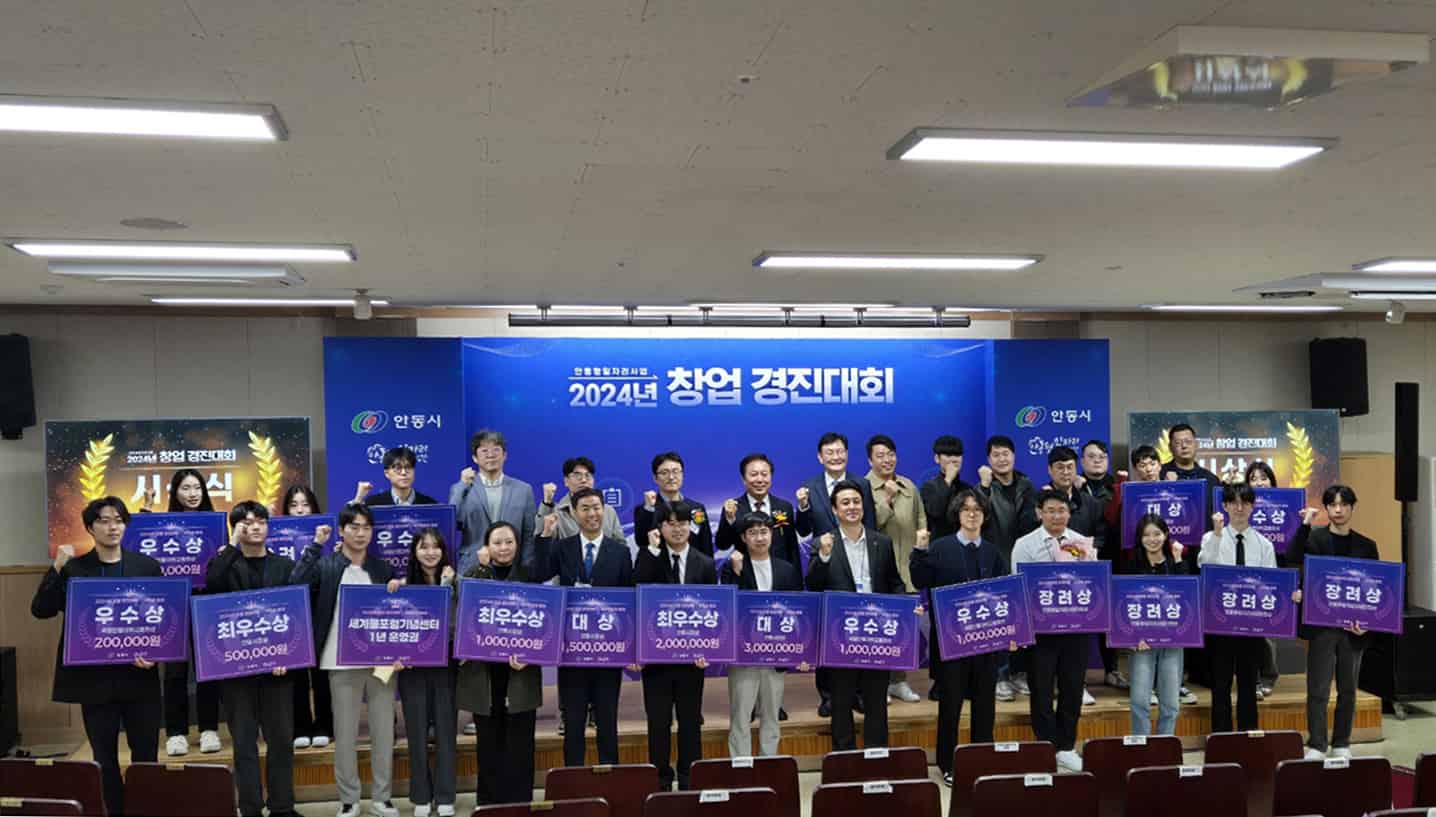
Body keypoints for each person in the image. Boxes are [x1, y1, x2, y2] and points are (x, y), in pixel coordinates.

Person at [31, 497, 163, 817]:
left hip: (139, 677)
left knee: (146, 756)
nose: (112, 527)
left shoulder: (146, 567)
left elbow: (161, 618)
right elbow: (41, 609)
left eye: (118, 520)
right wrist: (57, 567)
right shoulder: (75, 569)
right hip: (95, 681)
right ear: (90, 528)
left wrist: (156, 654)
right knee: (104, 758)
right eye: (104, 521)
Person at [290, 503, 399, 817]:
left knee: (383, 733)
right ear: (341, 530)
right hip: (339, 661)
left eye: (366, 527)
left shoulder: (382, 569)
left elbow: (396, 612)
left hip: (380, 662)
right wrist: (316, 545)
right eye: (354, 527)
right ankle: (349, 799)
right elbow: (295, 582)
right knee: (346, 734)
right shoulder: (326, 565)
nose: (360, 533)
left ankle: (382, 798)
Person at [911, 489, 1012, 787]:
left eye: (977, 509)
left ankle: (983, 758)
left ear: (984, 515)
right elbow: (919, 580)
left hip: (986, 642)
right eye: (966, 509)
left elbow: (1005, 595)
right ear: (957, 514)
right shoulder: (940, 548)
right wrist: (920, 550)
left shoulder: (992, 552)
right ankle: (947, 763)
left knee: (985, 706)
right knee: (950, 706)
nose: (972, 514)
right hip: (950, 644)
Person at [530, 486, 635, 765]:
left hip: (608, 651)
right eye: (585, 508)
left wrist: (630, 648)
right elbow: (539, 574)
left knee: (607, 721)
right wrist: (545, 536)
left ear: (605, 511)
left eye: (597, 507)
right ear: (575, 514)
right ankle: (572, 779)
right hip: (572, 651)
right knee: (574, 723)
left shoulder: (620, 552)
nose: (592, 514)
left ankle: (610, 774)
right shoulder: (562, 547)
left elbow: (629, 601)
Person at [206, 501, 298, 817]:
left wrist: (289, 656)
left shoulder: (284, 565)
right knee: (244, 743)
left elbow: (295, 615)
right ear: (235, 528)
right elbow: (212, 586)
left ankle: (282, 807)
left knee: (282, 741)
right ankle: (250, 808)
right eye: (246, 522)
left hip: (278, 670)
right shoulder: (225, 563)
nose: (254, 527)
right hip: (236, 670)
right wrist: (232, 545)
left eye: (260, 521)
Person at [804, 479, 909, 751]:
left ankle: (877, 755)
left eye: (856, 502)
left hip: (876, 635)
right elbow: (813, 585)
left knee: (876, 701)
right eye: (845, 503)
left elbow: (894, 582)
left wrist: (906, 607)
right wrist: (823, 556)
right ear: (835, 509)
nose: (852, 507)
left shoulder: (881, 542)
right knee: (841, 702)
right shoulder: (823, 542)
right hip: (840, 636)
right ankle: (844, 760)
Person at [1198, 483, 1300, 735]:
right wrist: (1217, 534)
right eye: (1233, 503)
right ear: (1224, 506)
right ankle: (1221, 737)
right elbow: (1206, 569)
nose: (1239, 508)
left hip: (1251, 626)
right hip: (1220, 624)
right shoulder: (1211, 538)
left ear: (1253, 506)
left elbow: (1272, 585)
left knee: (1248, 685)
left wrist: (1289, 594)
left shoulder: (1264, 544)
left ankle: (1247, 736)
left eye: (1245, 503)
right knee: (1220, 685)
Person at [1011, 488, 1097, 772]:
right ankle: (1046, 747)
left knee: (1072, 688)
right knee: (1041, 691)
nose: (1056, 516)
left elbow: (1092, 583)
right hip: (1041, 632)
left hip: (1075, 629)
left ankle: (1067, 746)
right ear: (1039, 513)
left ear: (1069, 513)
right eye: (1050, 511)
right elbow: (1017, 587)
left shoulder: (1081, 543)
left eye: (1062, 510)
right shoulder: (1024, 545)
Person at [1289, 485, 1378, 760]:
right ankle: (1317, 743)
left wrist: (1367, 622)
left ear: (1352, 507)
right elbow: (1292, 558)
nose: (1338, 510)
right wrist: (1305, 523)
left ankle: (1342, 742)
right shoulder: (1314, 539)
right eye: (1333, 505)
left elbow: (1374, 587)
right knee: (1318, 688)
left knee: (1348, 689)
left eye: (1344, 504)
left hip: (1353, 627)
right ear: (1326, 508)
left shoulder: (1366, 546)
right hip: (1322, 626)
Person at [634, 503, 718, 790]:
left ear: (690, 527)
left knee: (690, 722)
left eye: (682, 523)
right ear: (660, 528)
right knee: (658, 723)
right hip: (656, 659)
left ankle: (689, 778)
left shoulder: (705, 563)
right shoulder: (649, 557)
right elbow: (638, 593)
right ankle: (659, 780)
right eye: (670, 523)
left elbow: (713, 611)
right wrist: (652, 550)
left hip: (691, 660)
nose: (678, 529)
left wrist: (709, 649)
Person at [795, 433, 877, 717]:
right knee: (827, 634)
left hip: (858, 563)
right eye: (829, 452)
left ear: (847, 453)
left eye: (840, 451)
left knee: (859, 632)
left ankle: (859, 693)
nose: (836, 457)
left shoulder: (861, 484)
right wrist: (802, 507)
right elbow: (803, 529)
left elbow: (871, 523)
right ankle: (828, 695)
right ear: (820, 457)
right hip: (826, 564)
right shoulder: (809, 487)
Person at [462, 522, 541, 807]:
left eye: (509, 542)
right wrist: (482, 569)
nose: (504, 548)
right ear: (486, 547)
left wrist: (530, 655)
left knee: (521, 745)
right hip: (485, 675)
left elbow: (544, 628)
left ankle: (520, 804)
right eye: (497, 543)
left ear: (517, 545)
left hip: (521, 674)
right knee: (488, 744)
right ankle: (489, 805)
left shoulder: (530, 578)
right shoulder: (474, 575)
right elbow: (465, 612)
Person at [721, 512, 805, 757]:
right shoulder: (732, 567)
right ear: (743, 538)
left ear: (772, 534)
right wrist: (736, 573)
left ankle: (769, 764)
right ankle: (741, 766)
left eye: (764, 532)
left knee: (771, 715)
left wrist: (800, 652)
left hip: (776, 653)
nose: (759, 538)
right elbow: (726, 608)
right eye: (753, 533)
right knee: (740, 716)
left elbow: (799, 612)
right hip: (744, 655)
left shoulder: (787, 569)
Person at [155, 468, 223, 756]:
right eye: (185, 488)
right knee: (174, 671)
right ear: (175, 492)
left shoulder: (215, 524)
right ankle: (176, 733)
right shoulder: (163, 527)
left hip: (206, 601)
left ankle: (209, 729)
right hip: (174, 603)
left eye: (197, 487)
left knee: (208, 668)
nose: (192, 493)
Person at [391, 527, 458, 817]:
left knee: (446, 730)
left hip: (445, 664)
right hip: (413, 667)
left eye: (435, 546)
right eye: (423, 547)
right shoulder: (403, 586)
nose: (430, 552)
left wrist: (448, 587)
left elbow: (459, 624)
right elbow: (393, 627)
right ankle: (420, 796)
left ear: (443, 551)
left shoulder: (457, 582)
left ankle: (445, 795)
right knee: (416, 732)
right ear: (414, 552)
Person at [975, 435, 1038, 700]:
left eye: (1006, 454)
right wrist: (984, 488)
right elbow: (979, 520)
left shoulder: (1027, 485)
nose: (1002, 459)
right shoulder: (983, 488)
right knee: (999, 622)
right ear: (989, 459)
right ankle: (1000, 676)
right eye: (996, 455)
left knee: (1024, 621)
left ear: (1013, 456)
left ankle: (1019, 673)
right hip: (996, 561)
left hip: (1025, 561)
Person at [865, 434, 927, 704]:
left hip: (908, 569)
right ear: (870, 460)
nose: (887, 460)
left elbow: (921, 518)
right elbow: (870, 526)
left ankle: (899, 681)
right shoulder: (863, 487)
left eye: (891, 454)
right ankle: (878, 683)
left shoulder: (909, 485)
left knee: (903, 630)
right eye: (880, 455)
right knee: (879, 631)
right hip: (880, 572)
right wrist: (887, 499)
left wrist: (923, 540)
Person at [280, 484, 334, 752]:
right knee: (296, 670)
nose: (300, 510)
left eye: (305, 504)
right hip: (291, 609)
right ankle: (300, 725)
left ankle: (324, 724)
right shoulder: (277, 537)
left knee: (322, 671)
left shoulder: (326, 535)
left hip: (320, 606)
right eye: (294, 505)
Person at [1124, 515, 1188, 737]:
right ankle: (1141, 746)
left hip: (1172, 642)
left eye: (1157, 534)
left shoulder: (1175, 563)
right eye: (1146, 535)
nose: (1152, 539)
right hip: (1142, 643)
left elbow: (1188, 597)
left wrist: (1178, 559)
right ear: (1140, 538)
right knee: (1139, 700)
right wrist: (1132, 637)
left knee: (1170, 703)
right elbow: (1124, 605)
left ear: (1166, 535)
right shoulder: (1132, 566)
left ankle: (1165, 746)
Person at [450, 430, 537, 573]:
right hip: (473, 566)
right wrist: (462, 486)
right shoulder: (462, 489)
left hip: (513, 568)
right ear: (475, 458)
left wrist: (526, 567)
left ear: (505, 455)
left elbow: (529, 533)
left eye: (496, 450)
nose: (490, 455)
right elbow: (452, 523)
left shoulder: (523, 490)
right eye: (484, 451)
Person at [715, 453, 801, 568]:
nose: (760, 480)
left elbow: (792, 549)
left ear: (771, 477)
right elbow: (722, 545)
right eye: (753, 474)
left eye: (764, 474)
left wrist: (795, 577)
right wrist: (730, 520)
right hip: (746, 573)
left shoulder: (784, 507)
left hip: (780, 574)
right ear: (744, 479)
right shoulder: (734, 508)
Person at [1243, 460, 1282, 699]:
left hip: (1272, 575)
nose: (1259, 483)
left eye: (1263, 478)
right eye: (1253, 479)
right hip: (1244, 577)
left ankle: (1268, 676)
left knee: (1266, 635)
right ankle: (1253, 679)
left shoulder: (1284, 507)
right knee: (1248, 634)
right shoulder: (1242, 507)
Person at [634, 452, 715, 557]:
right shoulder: (646, 509)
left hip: (691, 566)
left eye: (676, 471)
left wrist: (708, 566)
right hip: (657, 566)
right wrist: (649, 509)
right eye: (664, 473)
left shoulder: (697, 509)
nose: (671, 477)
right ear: (655, 478)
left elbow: (705, 544)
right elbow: (642, 541)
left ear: (682, 475)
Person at [536, 456, 626, 542]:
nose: (583, 480)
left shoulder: (608, 511)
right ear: (566, 481)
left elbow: (621, 544)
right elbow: (542, 541)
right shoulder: (557, 512)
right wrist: (547, 503)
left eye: (588, 475)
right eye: (577, 476)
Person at [920, 435, 970, 540]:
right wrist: (948, 480)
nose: (954, 459)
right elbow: (935, 512)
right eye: (948, 455)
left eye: (957, 455)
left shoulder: (967, 488)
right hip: (939, 544)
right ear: (937, 458)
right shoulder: (928, 487)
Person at [357, 446, 439, 506]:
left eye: (408, 467)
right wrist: (359, 498)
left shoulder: (429, 504)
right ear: (387, 473)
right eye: (398, 468)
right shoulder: (373, 504)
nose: (403, 473)